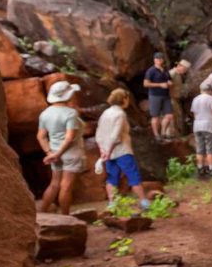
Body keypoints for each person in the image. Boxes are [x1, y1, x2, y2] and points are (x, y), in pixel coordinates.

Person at [36, 81, 86, 215]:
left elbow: (41, 136)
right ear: (68, 95)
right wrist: (57, 153)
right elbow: (69, 137)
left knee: (54, 184)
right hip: (71, 153)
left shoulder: (45, 114)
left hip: (53, 153)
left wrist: (50, 153)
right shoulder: (70, 113)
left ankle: (41, 214)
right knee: (66, 186)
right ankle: (65, 216)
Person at [95, 89, 149, 208]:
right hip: (122, 151)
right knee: (133, 176)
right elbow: (116, 136)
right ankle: (144, 202)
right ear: (123, 99)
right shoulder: (120, 114)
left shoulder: (105, 113)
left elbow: (98, 134)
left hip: (108, 151)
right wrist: (108, 150)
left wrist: (103, 151)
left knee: (112, 177)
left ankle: (112, 204)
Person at [143, 51, 173, 142]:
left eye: (161, 59)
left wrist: (170, 83)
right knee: (155, 116)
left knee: (169, 115)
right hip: (155, 95)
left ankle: (163, 133)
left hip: (166, 95)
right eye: (158, 59)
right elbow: (145, 84)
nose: (160, 60)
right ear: (154, 60)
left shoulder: (165, 70)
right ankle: (156, 135)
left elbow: (169, 80)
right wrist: (160, 85)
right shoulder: (151, 71)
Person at [190, 86, 212, 176]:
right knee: (210, 148)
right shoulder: (211, 98)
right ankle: (211, 168)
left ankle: (200, 168)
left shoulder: (195, 99)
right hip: (209, 125)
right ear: (210, 91)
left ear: (201, 90)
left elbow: (194, 113)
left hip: (197, 125)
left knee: (200, 148)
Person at [167, 58, 192, 137]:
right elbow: (165, 82)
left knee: (177, 115)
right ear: (179, 66)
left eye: (186, 70)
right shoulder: (172, 73)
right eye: (184, 69)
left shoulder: (178, 74)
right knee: (172, 115)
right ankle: (170, 134)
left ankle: (175, 133)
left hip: (176, 97)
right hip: (171, 97)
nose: (184, 71)